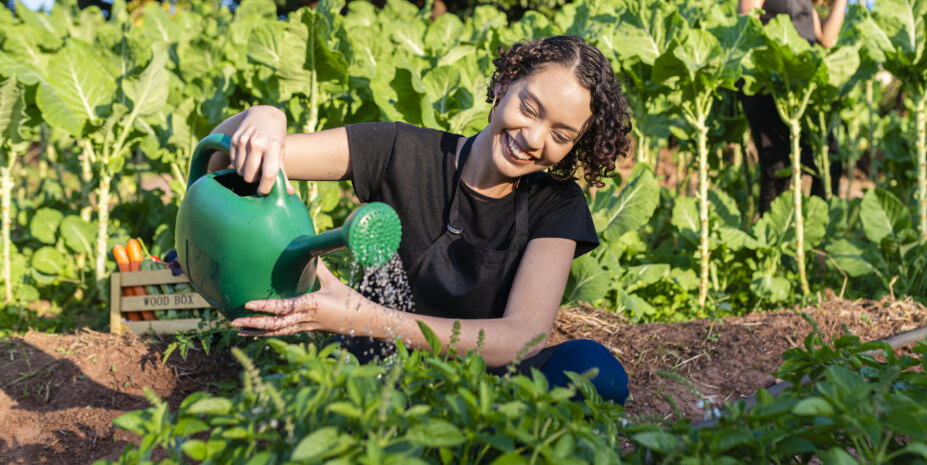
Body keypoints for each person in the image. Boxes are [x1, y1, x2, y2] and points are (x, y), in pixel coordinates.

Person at [207, 35, 634, 404]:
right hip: (377, 366)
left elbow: (523, 337)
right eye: (529, 108)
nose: (533, 139)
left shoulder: (557, 204)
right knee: (345, 370)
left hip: (487, 387)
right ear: (505, 83)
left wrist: (358, 315)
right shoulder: (399, 149)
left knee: (595, 369)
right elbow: (221, 158)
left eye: (561, 136)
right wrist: (263, 117)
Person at [737, 0, 871, 215]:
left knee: (829, 161)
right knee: (778, 167)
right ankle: (771, 246)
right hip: (764, 84)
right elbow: (746, 22)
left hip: (798, 92)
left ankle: (816, 241)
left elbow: (826, 38)